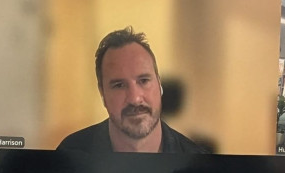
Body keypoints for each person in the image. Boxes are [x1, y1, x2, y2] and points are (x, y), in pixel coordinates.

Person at [57, 27, 206, 153]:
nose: (135, 98)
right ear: (102, 93)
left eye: (144, 81)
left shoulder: (197, 165)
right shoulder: (70, 155)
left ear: (159, 84)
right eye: (119, 85)